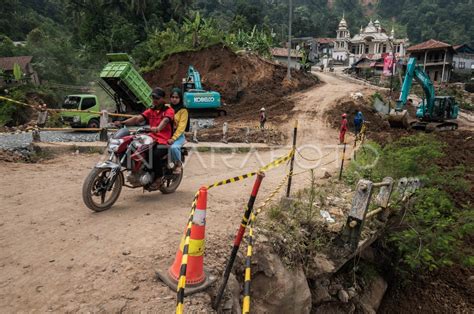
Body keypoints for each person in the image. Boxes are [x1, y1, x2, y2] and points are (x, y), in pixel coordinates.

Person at [114, 87, 174, 189]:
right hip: (150, 138)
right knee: (134, 147)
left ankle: (159, 177)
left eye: (157, 98)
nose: (154, 100)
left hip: (164, 140)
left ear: (163, 99)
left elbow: (165, 121)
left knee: (154, 154)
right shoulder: (150, 110)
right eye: (153, 97)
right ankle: (138, 170)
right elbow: (137, 119)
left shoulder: (169, 110)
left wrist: (158, 128)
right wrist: (122, 122)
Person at [167, 87, 189, 174]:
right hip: (166, 135)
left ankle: (178, 164)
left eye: (177, 97)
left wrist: (173, 138)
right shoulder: (167, 108)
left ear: (180, 98)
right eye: (172, 97)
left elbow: (181, 127)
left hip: (178, 137)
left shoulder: (183, 111)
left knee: (174, 147)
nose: (174, 99)